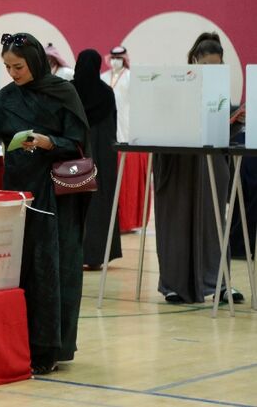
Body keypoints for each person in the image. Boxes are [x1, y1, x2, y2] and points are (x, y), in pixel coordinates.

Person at [0, 33, 90, 374]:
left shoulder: (62, 92)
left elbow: (78, 141)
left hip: (57, 195)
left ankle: (50, 347)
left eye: (19, 66)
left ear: (36, 62)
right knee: (21, 267)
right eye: (8, 67)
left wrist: (47, 142)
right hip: (19, 196)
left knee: (53, 267)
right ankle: (19, 342)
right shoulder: (7, 99)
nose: (13, 73)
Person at [153, 32, 244, 304]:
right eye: (207, 66)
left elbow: (222, 125)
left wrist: (238, 120)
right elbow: (161, 120)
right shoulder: (175, 84)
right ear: (194, 61)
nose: (212, 72)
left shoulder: (220, 92)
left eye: (217, 67)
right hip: (177, 164)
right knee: (175, 222)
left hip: (210, 165)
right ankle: (174, 285)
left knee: (215, 223)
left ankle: (220, 283)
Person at [72, 49, 121, 270]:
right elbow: (113, 127)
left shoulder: (70, 91)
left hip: (74, 157)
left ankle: (73, 253)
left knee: (73, 204)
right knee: (100, 203)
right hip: (102, 157)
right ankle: (97, 255)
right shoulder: (106, 93)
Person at [100, 45, 148, 233]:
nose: (115, 61)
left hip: (127, 130)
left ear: (124, 59)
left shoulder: (131, 78)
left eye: (119, 58)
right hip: (109, 131)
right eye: (113, 57)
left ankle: (127, 221)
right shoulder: (103, 78)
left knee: (128, 182)